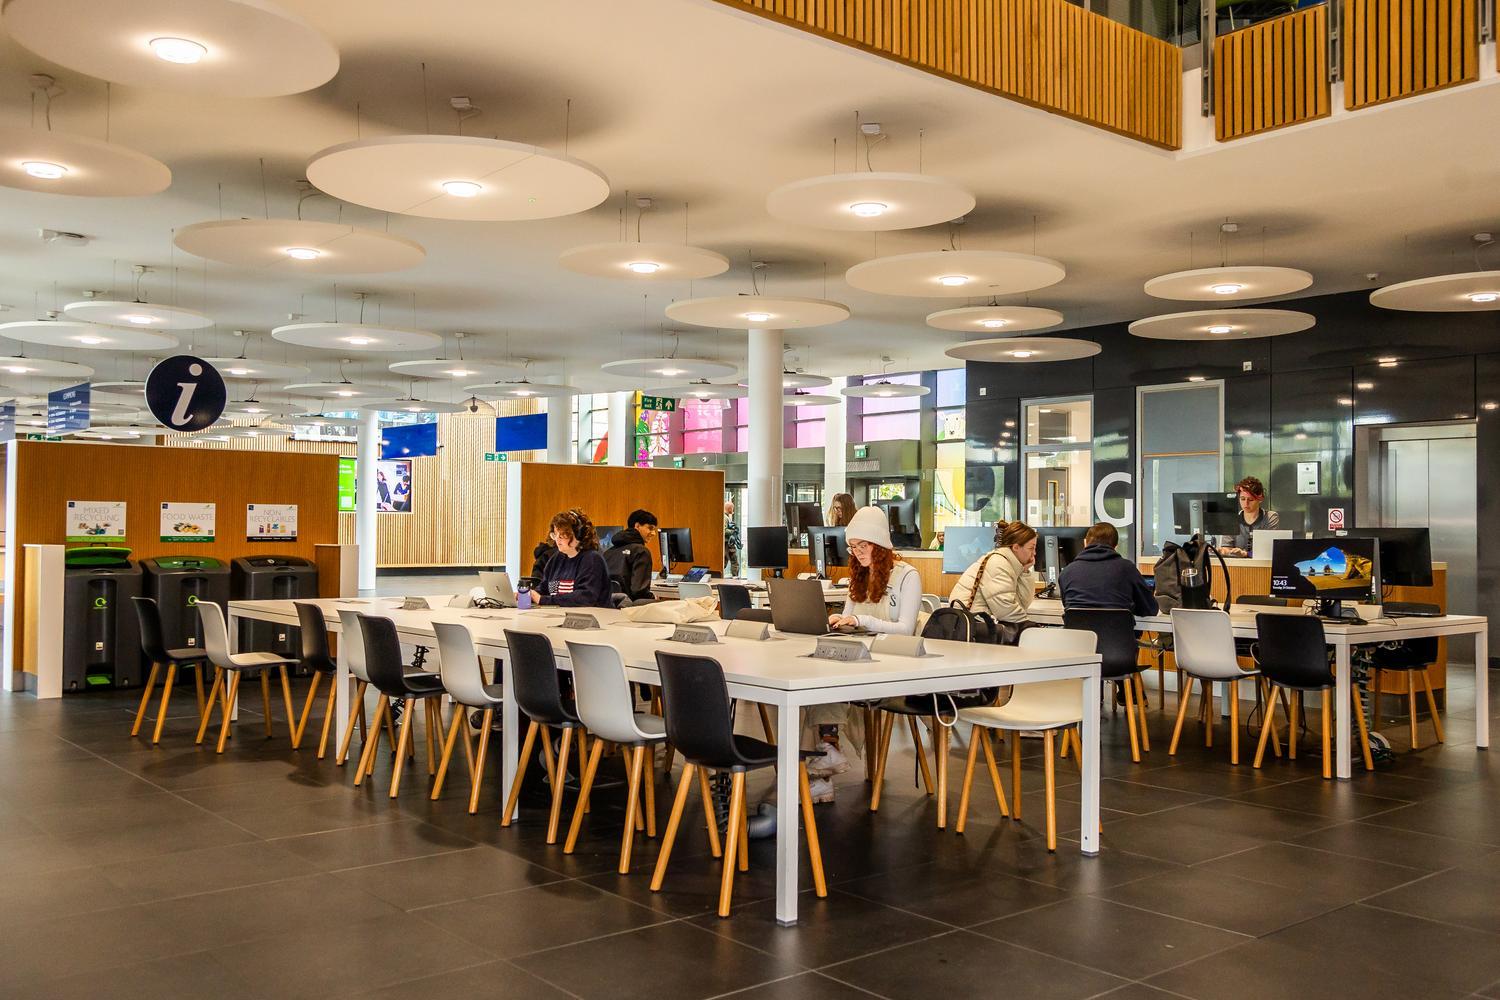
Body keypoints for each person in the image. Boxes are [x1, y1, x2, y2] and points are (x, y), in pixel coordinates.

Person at [808, 506, 922, 802]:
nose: (857, 552)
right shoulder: (857, 578)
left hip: (893, 665)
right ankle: (826, 752)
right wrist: (838, 622)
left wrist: (862, 621)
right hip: (859, 660)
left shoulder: (908, 576)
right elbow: (848, 617)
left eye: (863, 545)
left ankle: (826, 757)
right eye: (853, 546)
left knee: (827, 685)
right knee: (816, 681)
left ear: (880, 545)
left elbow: (906, 629)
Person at [949, 520, 1039, 628]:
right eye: (1031, 548)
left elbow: (1022, 605)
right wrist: (1031, 628)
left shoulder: (1010, 564)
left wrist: (1024, 572)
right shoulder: (998, 563)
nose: (1034, 553)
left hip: (978, 623)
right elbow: (1006, 610)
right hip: (971, 625)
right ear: (1016, 547)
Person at [1059, 521, 1158, 618]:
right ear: (1115, 547)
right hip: (1118, 633)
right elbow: (1150, 609)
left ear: (1085, 543)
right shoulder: (1127, 568)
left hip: (1079, 634)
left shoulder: (1067, 572)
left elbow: (1067, 606)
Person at [532, 509, 612, 608]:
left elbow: (585, 597)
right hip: (562, 616)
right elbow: (544, 589)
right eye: (555, 534)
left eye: (562, 535)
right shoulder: (556, 559)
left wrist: (543, 600)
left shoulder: (592, 559)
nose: (557, 539)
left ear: (578, 535)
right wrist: (528, 595)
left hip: (594, 618)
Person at [604, 508, 658, 603]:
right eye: (650, 528)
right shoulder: (641, 551)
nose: (654, 533)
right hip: (629, 608)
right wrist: (653, 597)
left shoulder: (608, 552)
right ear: (637, 526)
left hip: (607, 606)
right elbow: (639, 591)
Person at [1224, 475, 1279, 556]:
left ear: (1260, 499)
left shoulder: (1270, 517)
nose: (1246, 503)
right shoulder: (1232, 519)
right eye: (1242, 499)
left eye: (1250, 499)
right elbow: (1226, 547)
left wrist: (1246, 554)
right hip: (1236, 566)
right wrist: (1223, 551)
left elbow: (1269, 550)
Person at [723, 501, 741, 577]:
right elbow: (723, 531)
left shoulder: (726, 517)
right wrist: (733, 531)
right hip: (727, 544)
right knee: (734, 562)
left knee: (725, 562)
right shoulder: (725, 517)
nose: (733, 510)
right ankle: (735, 578)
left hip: (727, 544)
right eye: (732, 508)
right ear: (730, 508)